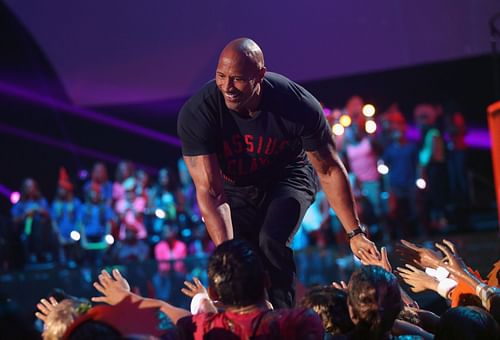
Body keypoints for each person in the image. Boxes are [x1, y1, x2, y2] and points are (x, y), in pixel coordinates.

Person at [177, 37, 378, 308]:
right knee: (242, 254)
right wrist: (227, 255)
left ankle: (283, 319)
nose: (227, 87)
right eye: (220, 76)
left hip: (288, 177)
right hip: (234, 188)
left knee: (271, 240)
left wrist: (354, 233)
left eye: (237, 79)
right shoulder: (199, 112)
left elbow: (328, 169)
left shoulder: (296, 104)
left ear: (260, 75)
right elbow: (212, 193)